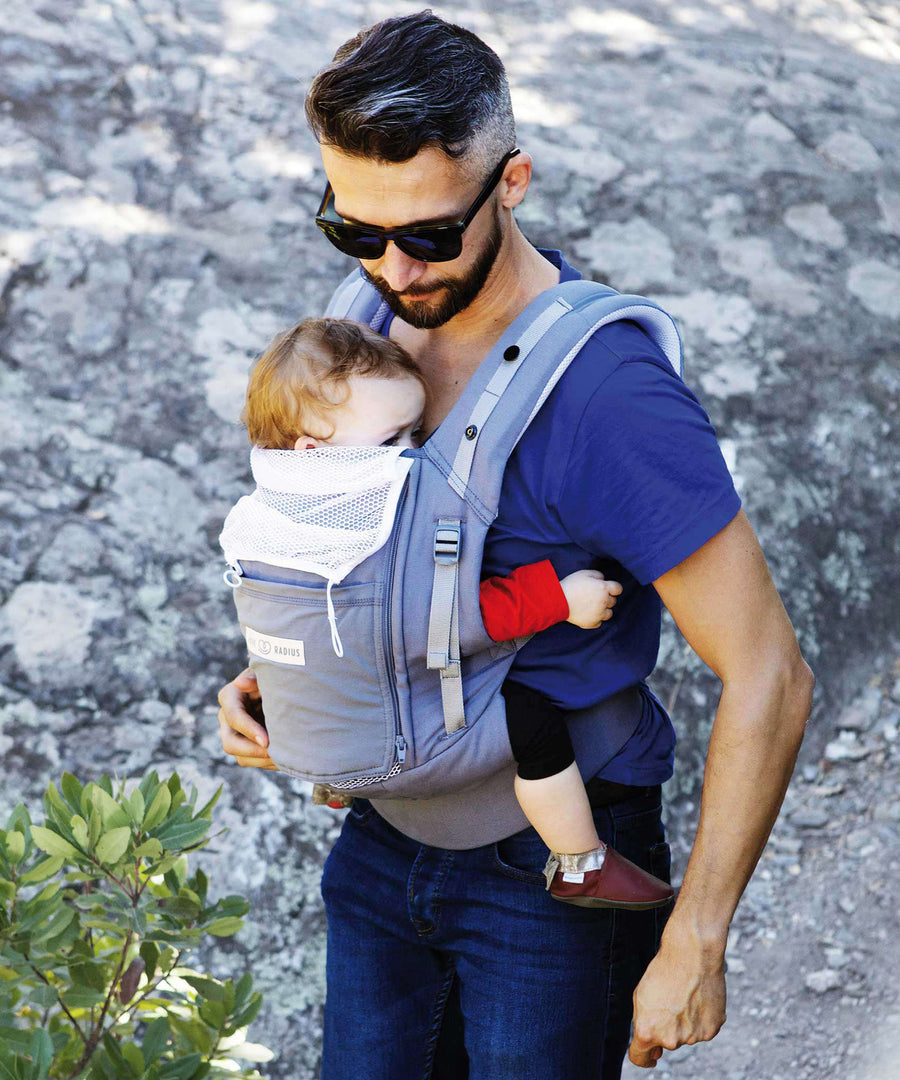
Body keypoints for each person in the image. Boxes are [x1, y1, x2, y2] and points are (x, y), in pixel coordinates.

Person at [216, 11, 814, 1078]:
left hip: (553, 870)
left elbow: (770, 671)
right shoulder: (360, 328)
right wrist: (286, 680)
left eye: (430, 234)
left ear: (514, 181)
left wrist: (697, 939)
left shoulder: (611, 395)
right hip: (380, 851)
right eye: (355, 230)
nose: (394, 268)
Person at [227, 314, 675, 910]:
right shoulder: (371, 521)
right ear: (314, 451)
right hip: (403, 752)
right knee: (534, 718)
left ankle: (343, 777)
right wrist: (559, 599)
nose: (410, 456)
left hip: (317, 745)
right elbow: (438, 620)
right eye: (392, 441)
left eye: (417, 435)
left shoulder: (263, 519)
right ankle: (579, 860)